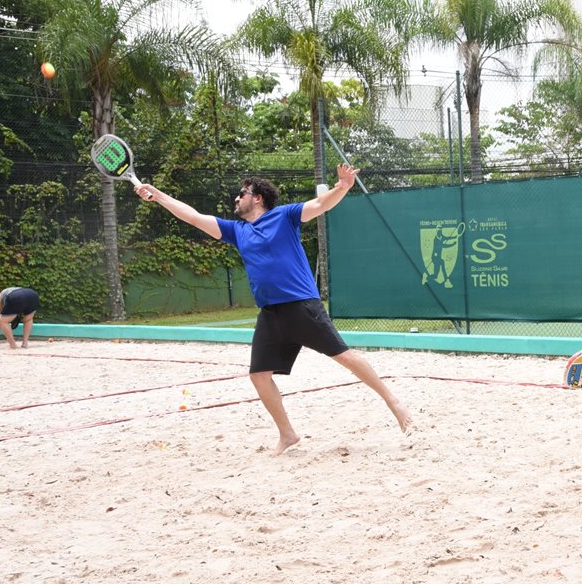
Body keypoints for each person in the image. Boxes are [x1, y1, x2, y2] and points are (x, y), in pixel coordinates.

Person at [132, 165, 413, 455]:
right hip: (270, 313)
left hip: (301, 305)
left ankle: (393, 402)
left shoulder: (284, 216)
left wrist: (342, 186)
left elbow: (319, 204)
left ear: (257, 198)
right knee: (259, 375)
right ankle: (288, 434)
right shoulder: (237, 230)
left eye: (241, 194)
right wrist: (158, 196)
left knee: (345, 356)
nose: (236, 199)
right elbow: (193, 217)